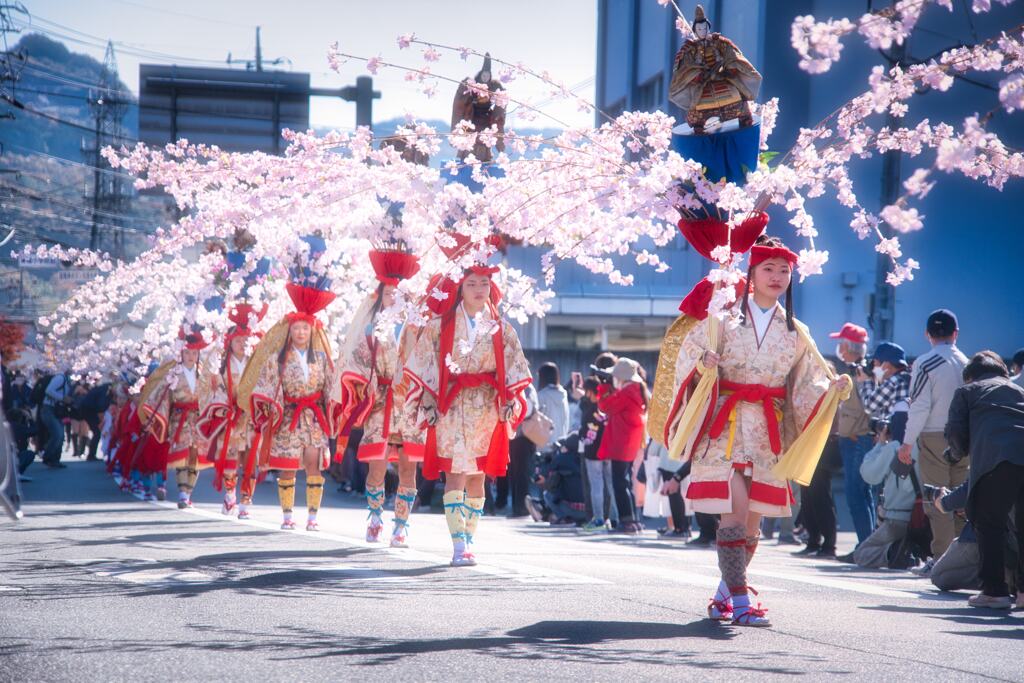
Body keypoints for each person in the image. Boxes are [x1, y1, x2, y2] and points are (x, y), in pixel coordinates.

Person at [665, 235, 850, 627]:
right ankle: (743, 604)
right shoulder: (722, 318)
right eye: (769, 268)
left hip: (767, 433)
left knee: (752, 525)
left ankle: (722, 598)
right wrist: (704, 361)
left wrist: (829, 391)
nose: (778, 276)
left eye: (784, 270)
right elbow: (688, 355)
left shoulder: (796, 331)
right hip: (725, 427)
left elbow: (805, 383)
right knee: (734, 515)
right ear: (751, 273)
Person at [404, 255, 531, 567]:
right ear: (460, 287)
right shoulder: (440, 326)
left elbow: (515, 369)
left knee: (479, 477)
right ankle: (458, 544)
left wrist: (508, 400)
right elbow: (424, 362)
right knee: (456, 473)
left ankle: (470, 537)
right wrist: (430, 401)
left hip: (486, 406)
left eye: (484, 283)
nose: (478, 289)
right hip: (452, 404)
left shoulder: (503, 328)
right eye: (471, 283)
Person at [336, 245, 423, 547]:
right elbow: (356, 359)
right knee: (377, 464)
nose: (393, 299)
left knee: (408, 466)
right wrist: (364, 385)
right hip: (381, 401)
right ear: (379, 296)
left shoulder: (417, 328)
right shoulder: (371, 328)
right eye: (388, 293)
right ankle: (375, 516)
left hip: (410, 404)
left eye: (399, 294)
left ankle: (401, 525)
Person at [943, 350, 1024, 609]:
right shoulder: (1018, 390)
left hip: (996, 460)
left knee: (988, 523)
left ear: (969, 376)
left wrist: (954, 454)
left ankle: (995, 591)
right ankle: (1022, 593)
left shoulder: (968, 391)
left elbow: (956, 433)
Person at [900, 309, 969, 573]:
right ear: (955, 333)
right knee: (962, 498)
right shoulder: (968, 362)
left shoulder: (925, 363)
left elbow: (919, 405)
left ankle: (942, 561)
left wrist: (907, 442)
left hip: (933, 435)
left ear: (928, 335)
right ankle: (966, 559)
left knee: (937, 497)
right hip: (965, 436)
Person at [198, 306, 264, 518]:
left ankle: (246, 501)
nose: (243, 345)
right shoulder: (220, 366)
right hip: (232, 417)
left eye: (246, 341)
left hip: (252, 418)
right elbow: (210, 389)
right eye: (238, 341)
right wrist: (224, 407)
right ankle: (230, 495)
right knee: (231, 460)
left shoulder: (257, 364)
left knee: (251, 460)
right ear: (230, 343)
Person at [140, 330, 213, 509]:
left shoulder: (204, 373)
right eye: (187, 352)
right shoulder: (173, 372)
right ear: (181, 353)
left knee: (195, 457)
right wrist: (153, 416)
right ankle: (182, 493)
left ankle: (188, 492)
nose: (191, 356)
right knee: (182, 455)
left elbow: (211, 395)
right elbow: (161, 396)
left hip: (199, 419)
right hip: (180, 418)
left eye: (194, 353)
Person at [668, 4, 762, 134]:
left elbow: (731, 53)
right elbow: (685, 67)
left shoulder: (719, 42)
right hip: (702, 84)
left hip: (722, 77)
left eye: (704, 28)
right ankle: (699, 126)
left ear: (708, 28)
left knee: (737, 99)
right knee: (698, 109)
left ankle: (745, 118)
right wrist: (696, 75)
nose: (702, 31)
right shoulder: (690, 49)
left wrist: (730, 67)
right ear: (695, 30)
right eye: (699, 29)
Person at [829, 323, 877, 546]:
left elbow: (864, 407)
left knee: (856, 494)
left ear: (849, 346)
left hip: (857, 438)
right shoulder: (861, 369)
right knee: (862, 493)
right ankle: (866, 545)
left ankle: (865, 546)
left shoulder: (859, 372)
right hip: (856, 438)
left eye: (841, 343)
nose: (839, 348)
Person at [845, 430, 921, 568]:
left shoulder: (894, 448)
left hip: (898, 518)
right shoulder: (927, 444)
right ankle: (913, 551)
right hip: (925, 519)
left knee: (861, 554)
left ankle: (895, 553)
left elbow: (869, 474)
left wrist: (879, 444)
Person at [597, 357, 649, 536]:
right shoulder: (635, 390)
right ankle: (632, 519)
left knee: (620, 482)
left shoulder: (627, 392)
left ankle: (626, 519)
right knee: (625, 481)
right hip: (629, 442)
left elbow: (605, 406)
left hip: (622, 441)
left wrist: (603, 387)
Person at [794, 432, 840, 558]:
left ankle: (829, 545)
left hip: (823, 444)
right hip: (807, 444)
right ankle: (813, 541)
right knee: (807, 499)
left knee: (821, 498)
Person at [859, 341, 911, 428]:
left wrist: (866, 380)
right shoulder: (906, 378)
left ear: (886, 365)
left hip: (895, 435)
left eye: (875, 363)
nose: (873, 368)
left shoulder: (893, 382)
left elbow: (869, 406)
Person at [39, 371, 70, 468]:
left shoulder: (65, 379)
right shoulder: (60, 378)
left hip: (55, 409)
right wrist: (62, 398)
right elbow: (48, 390)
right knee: (58, 434)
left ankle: (55, 460)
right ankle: (48, 456)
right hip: (48, 408)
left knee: (60, 435)